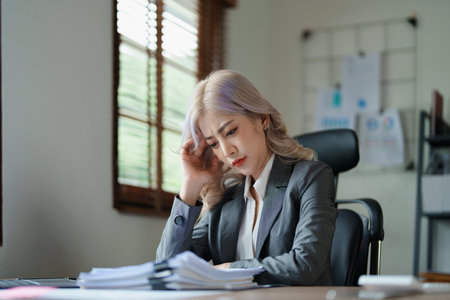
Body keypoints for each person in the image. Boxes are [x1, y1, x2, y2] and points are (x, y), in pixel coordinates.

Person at [156, 69, 337, 286]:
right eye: (213, 143)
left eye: (231, 131)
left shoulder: (310, 178)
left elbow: (305, 264)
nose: (227, 151)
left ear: (261, 118)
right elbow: (168, 268)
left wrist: (230, 270)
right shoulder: (225, 199)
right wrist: (190, 186)